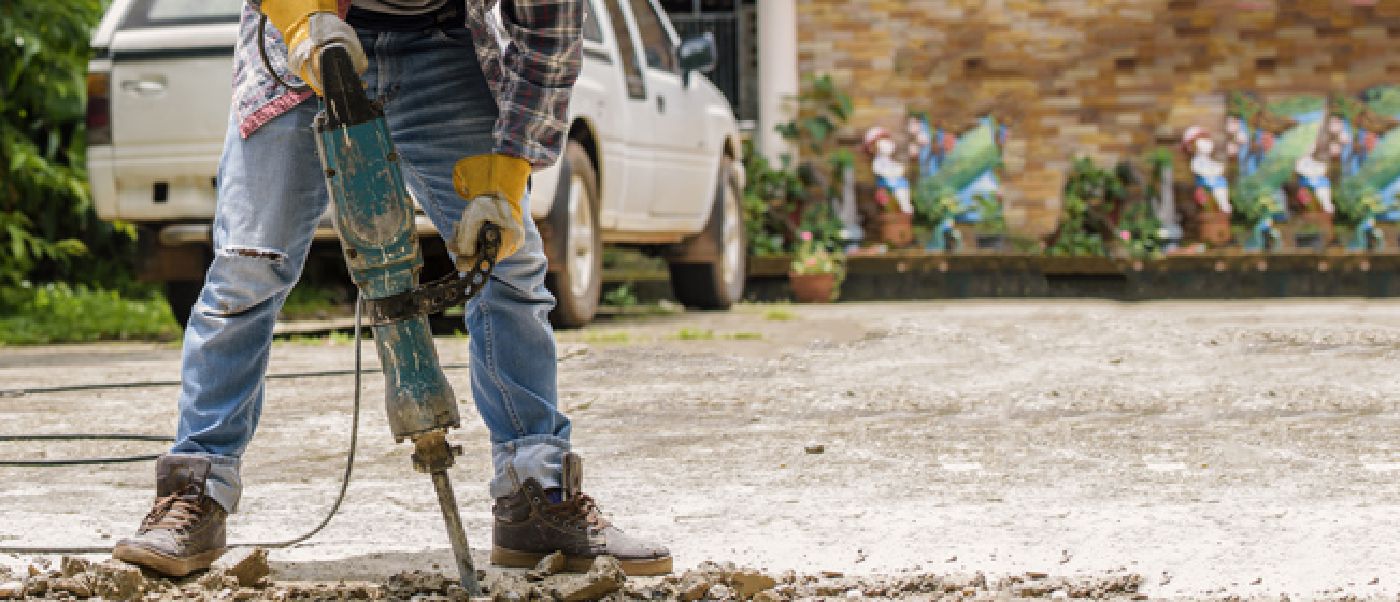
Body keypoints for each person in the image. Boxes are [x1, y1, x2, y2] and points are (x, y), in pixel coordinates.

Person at [111, 0, 671, 578]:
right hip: (305, 32)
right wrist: (303, 24)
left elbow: (548, 39)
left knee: (507, 266)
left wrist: (505, 175)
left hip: (440, 42)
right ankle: (195, 490)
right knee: (248, 267)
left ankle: (535, 498)